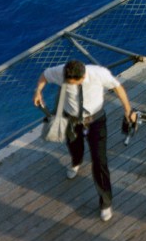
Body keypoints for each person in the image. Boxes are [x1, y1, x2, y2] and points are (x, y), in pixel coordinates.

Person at [32, 58, 137, 222]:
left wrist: (128, 110)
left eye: (75, 83)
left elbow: (118, 87)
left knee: (99, 160)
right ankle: (76, 162)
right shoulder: (61, 72)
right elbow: (44, 75)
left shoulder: (98, 73)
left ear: (83, 77)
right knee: (74, 146)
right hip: (71, 119)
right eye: (69, 83)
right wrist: (38, 91)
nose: (71, 86)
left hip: (95, 120)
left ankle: (106, 203)